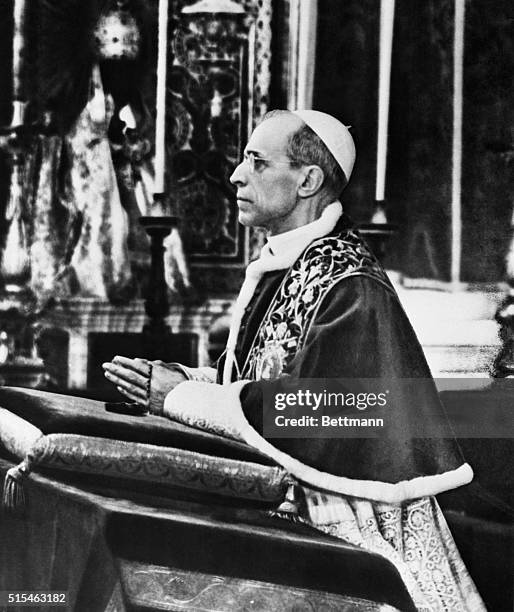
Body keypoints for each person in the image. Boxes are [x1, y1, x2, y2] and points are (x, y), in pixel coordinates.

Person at [103, 109, 485, 611]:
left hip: (346, 520)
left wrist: (177, 396)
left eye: (257, 162)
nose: (236, 175)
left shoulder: (350, 284)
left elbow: (318, 412)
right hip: (279, 495)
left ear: (308, 180)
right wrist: (176, 380)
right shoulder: (289, 263)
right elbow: (251, 379)